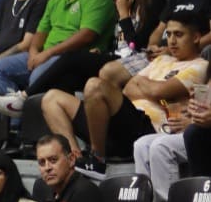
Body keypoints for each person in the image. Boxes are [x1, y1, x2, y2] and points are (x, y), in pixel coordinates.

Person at [40, 16, 206, 179]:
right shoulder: (161, 59)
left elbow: (159, 91)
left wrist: (143, 84)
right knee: (51, 98)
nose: (172, 41)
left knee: (95, 86)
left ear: (196, 37)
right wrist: (149, 88)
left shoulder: (200, 66)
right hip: (120, 120)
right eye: (168, 35)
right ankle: (74, 159)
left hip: (145, 126)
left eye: (179, 35)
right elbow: (128, 89)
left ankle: (97, 159)